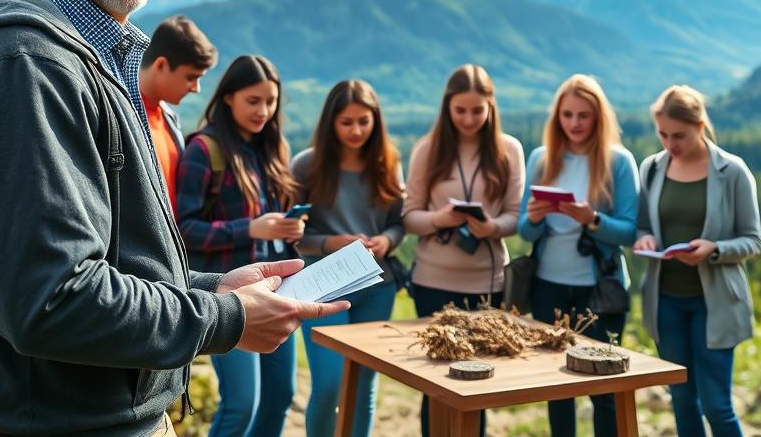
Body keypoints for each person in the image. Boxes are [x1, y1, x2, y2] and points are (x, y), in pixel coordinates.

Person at [0, 0, 347, 437]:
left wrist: (215, 288)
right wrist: (226, 318)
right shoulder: (25, 65)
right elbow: (52, 301)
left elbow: (108, 261)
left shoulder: (86, 56)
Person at [176, 55, 305, 437]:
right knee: (242, 403)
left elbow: (272, 221)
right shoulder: (204, 150)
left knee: (280, 397)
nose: (263, 110)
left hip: (279, 290)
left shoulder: (274, 148)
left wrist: (289, 228)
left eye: (271, 101)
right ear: (228, 97)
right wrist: (250, 229)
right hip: (230, 293)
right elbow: (183, 229)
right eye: (253, 101)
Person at [632, 85, 761, 437]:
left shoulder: (732, 171)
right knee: (681, 400)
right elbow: (643, 225)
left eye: (679, 135)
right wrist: (645, 238)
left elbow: (754, 240)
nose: (669, 144)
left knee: (716, 405)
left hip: (714, 303)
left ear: (700, 126)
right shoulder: (652, 168)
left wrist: (714, 249)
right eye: (663, 134)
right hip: (665, 303)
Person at [403, 63, 525, 436]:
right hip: (433, 281)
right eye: (460, 110)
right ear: (447, 107)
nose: (469, 119)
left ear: (491, 106)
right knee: (435, 382)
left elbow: (515, 216)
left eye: (477, 110)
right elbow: (410, 217)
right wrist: (440, 218)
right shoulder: (428, 149)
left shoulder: (509, 149)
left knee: (478, 380)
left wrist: (492, 227)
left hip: (487, 282)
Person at [518, 74, 639, 437]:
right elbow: (525, 230)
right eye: (567, 115)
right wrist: (535, 218)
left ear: (599, 117)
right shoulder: (542, 158)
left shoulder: (618, 162)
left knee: (604, 386)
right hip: (548, 285)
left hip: (599, 289)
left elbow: (630, 231)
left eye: (583, 115)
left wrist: (593, 220)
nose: (574, 123)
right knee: (557, 386)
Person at [291, 79, 406, 437]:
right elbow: (292, 235)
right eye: (346, 122)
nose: (356, 130)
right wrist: (331, 243)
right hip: (323, 289)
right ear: (331, 122)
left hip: (377, 287)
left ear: (376, 121)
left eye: (364, 121)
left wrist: (386, 241)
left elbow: (399, 224)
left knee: (363, 386)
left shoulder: (388, 163)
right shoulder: (307, 166)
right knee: (328, 386)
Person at [139, 14, 217, 215]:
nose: (196, 88)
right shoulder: (122, 115)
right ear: (161, 65)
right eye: (191, 77)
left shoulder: (170, 119)